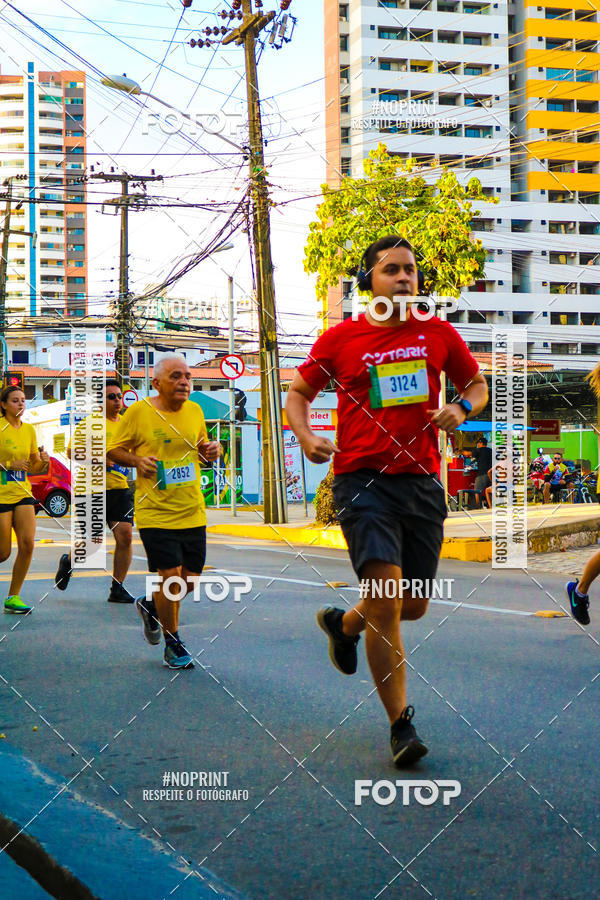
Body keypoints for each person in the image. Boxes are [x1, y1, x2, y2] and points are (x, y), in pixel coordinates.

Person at [285, 235, 488, 766]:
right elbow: (298, 393)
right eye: (391, 270)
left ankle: (343, 624)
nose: (403, 278)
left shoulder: (438, 333)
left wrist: (461, 410)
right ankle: (401, 724)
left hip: (421, 482)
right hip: (362, 481)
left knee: (412, 604)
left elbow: (477, 385)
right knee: (386, 595)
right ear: (367, 281)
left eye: (410, 271)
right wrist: (307, 438)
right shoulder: (342, 339)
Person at [106, 354, 221, 669]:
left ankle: (150, 606)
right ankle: (173, 643)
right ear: (156, 383)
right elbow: (114, 449)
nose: (184, 382)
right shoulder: (140, 412)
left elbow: (203, 448)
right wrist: (136, 461)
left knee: (189, 581)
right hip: (154, 511)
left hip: (192, 509)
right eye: (175, 376)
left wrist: (213, 449)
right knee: (169, 575)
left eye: (187, 376)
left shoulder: (195, 410)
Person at [54, 379, 136, 603]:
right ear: (100, 401)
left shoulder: (127, 424)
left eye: (119, 396)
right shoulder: (90, 424)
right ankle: (68, 562)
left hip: (119, 488)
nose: (117, 401)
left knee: (125, 537)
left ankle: (117, 588)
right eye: (111, 397)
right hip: (92, 490)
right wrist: (101, 460)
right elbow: (72, 452)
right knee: (93, 543)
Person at [0, 384, 49, 614]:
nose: (21, 403)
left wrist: (43, 460)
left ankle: (13, 597)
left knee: (27, 544)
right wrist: (9, 465)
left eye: (23, 400)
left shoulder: (29, 430)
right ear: (3, 405)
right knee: (3, 553)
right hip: (1, 494)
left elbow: (34, 466)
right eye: (15, 400)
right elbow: (14, 465)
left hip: (22, 493)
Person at [463, 437, 493, 508]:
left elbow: (468, 454)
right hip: (491, 474)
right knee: (490, 491)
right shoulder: (491, 450)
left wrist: (463, 452)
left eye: (478, 443)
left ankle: (478, 507)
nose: (478, 445)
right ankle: (491, 506)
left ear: (481, 443)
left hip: (482, 474)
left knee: (477, 491)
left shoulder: (479, 450)